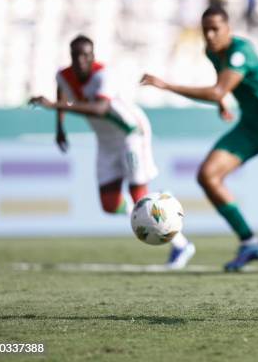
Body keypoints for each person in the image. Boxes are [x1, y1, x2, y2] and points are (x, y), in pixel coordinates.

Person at [140, 6, 258, 272]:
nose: (209, 35)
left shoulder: (242, 51)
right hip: (249, 127)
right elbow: (223, 86)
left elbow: (219, 88)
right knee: (208, 176)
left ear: (228, 29)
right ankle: (250, 242)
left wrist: (168, 86)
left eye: (215, 29)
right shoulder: (212, 51)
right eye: (205, 29)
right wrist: (222, 102)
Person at [29, 35, 195, 269]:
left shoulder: (103, 76)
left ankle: (180, 243)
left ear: (93, 56)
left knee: (138, 194)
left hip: (130, 133)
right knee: (109, 204)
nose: (81, 60)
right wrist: (60, 127)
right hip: (105, 140)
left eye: (86, 55)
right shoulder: (64, 75)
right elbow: (62, 90)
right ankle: (158, 203)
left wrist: (56, 106)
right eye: (76, 55)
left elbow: (100, 108)